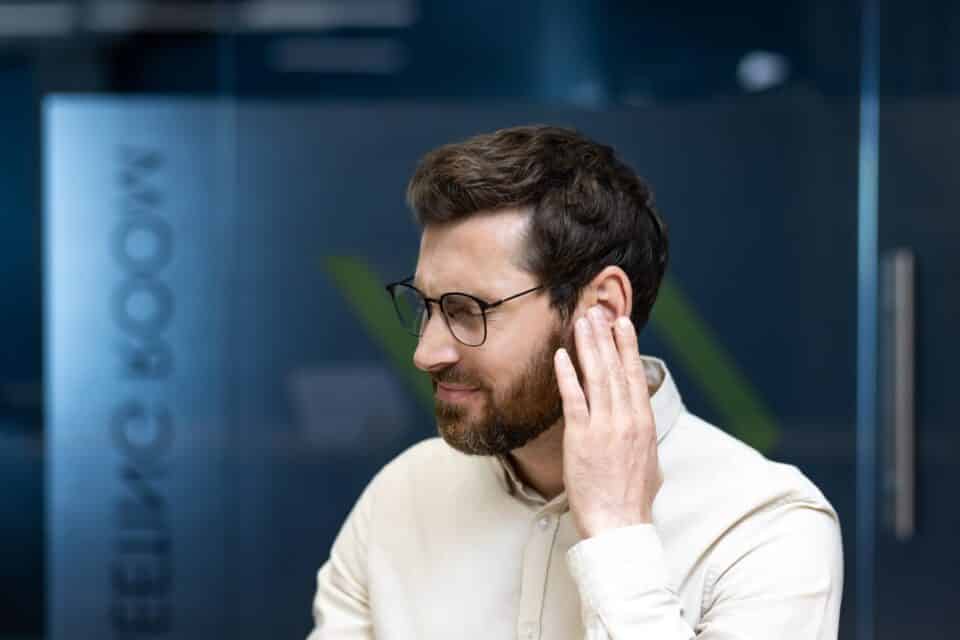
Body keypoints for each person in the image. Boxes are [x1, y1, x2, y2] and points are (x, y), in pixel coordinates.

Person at [305, 125, 843, 639]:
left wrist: (617, 535)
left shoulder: (766, 527)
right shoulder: (400, 498)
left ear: (602, 308)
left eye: (468, 310)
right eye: (425, 305)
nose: (426, 353)